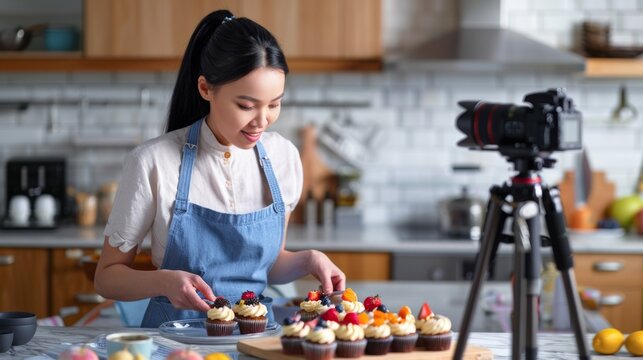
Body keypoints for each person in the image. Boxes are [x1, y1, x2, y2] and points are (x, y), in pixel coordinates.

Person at [94, 9, 346, 328]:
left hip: (254, 340)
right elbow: (106, 278)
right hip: (175, 343)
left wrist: (308, 259)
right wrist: (163, 282)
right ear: (205, 89)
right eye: (246, 105)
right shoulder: (153, 161)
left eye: (274, 104)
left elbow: (266, 266)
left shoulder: (283, 157)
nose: (262, 120)